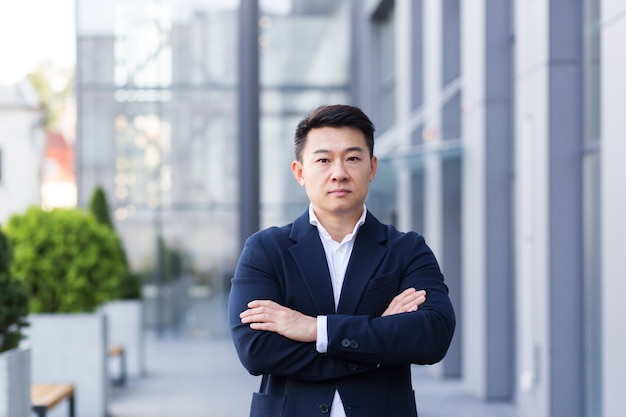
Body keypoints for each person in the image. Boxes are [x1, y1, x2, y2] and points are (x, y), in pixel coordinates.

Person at [228, 104, 455, 417]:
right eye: (323, 160)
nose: (339, 173)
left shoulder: (406, 249)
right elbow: (256, 351)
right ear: (300, 172)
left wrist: (314, 329)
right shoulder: (266, 250)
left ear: (372, 167)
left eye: (352, 158)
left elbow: (433, 336)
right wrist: (378, 338)